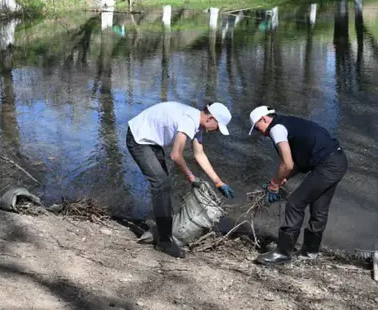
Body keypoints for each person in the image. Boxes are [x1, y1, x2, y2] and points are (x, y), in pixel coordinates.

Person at [127, 101, 235, 258]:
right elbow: (176, 155)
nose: (216, 131)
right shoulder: (189, 120)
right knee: (161, 184)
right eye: (217, 127)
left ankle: (164, 231)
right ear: (210, 118)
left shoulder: (198, 125)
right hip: (139, 139)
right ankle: (164, 242)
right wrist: (191, 178)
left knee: (164, 185)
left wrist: (218, 182)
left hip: (153, 142)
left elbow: (199, 154)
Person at [248, 106, 348, 265]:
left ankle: (283, 253)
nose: (261, 134)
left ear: (264, 119)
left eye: (258, 128)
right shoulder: (288, 124)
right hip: (337, 159)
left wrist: (274, 185)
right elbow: (296, 163)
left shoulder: (277, 129)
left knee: (295, 203)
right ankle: (310, 251)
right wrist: (283, 178)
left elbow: (286, 164)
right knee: (319, 208)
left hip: (327, 165)